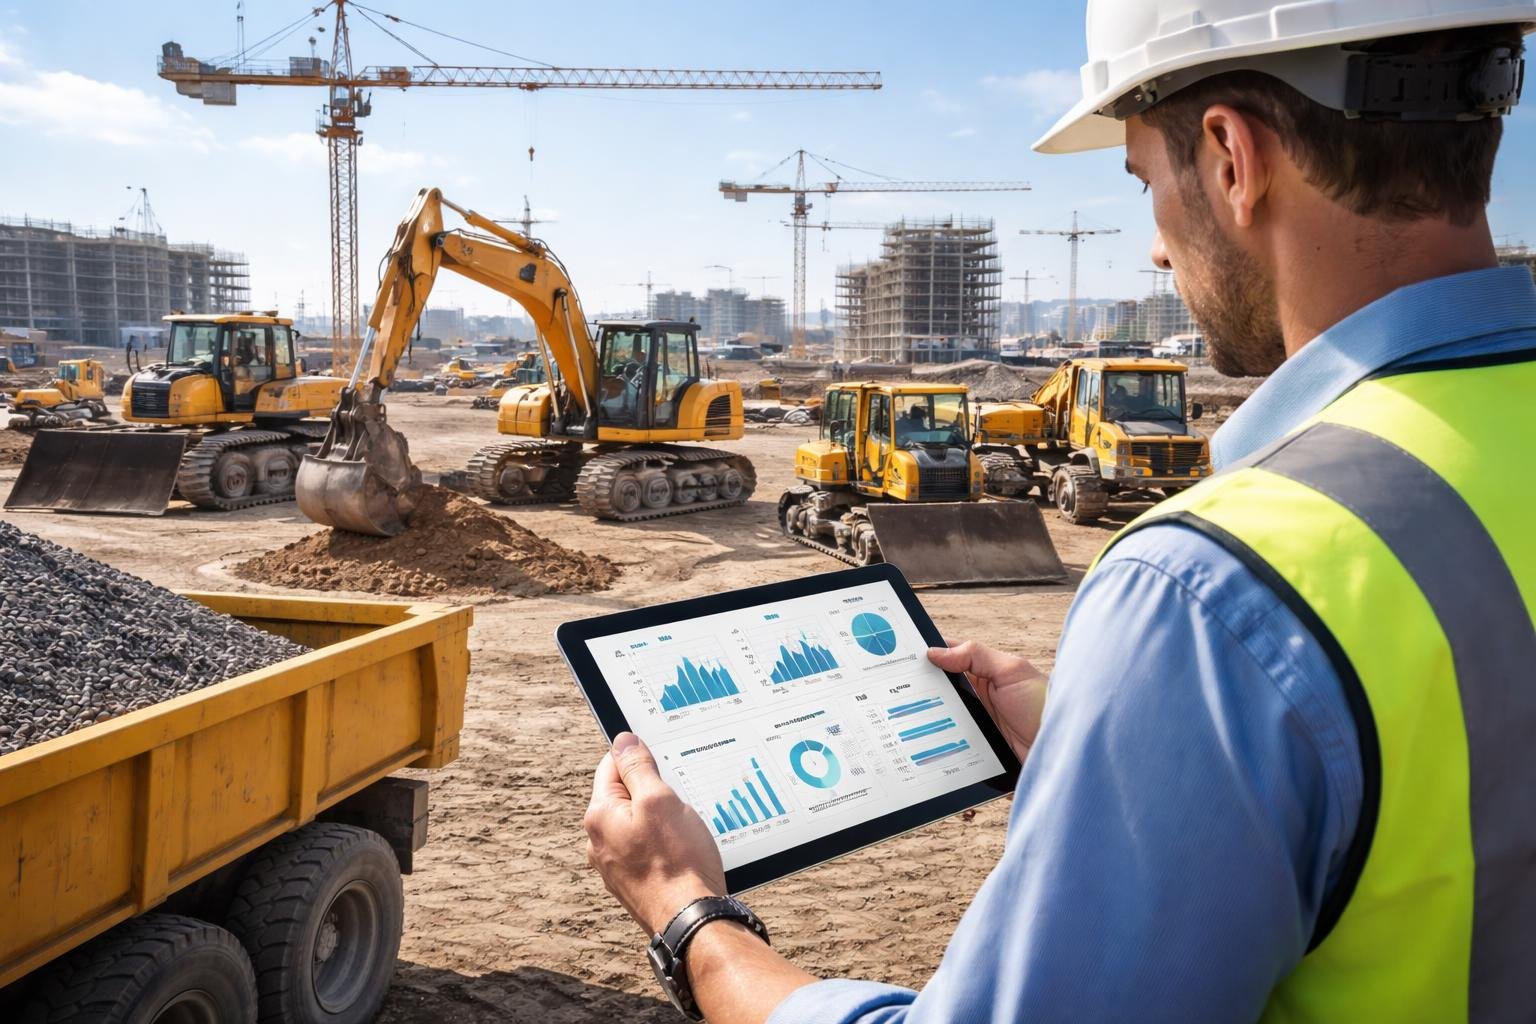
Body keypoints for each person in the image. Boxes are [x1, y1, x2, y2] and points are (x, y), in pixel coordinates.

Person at [585, 3, 1536, 1021]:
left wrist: (689, 914)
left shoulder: (1214, 592)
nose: (1158, 251)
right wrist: (1146, 753)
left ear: (1231, 158)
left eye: (1143, 182)